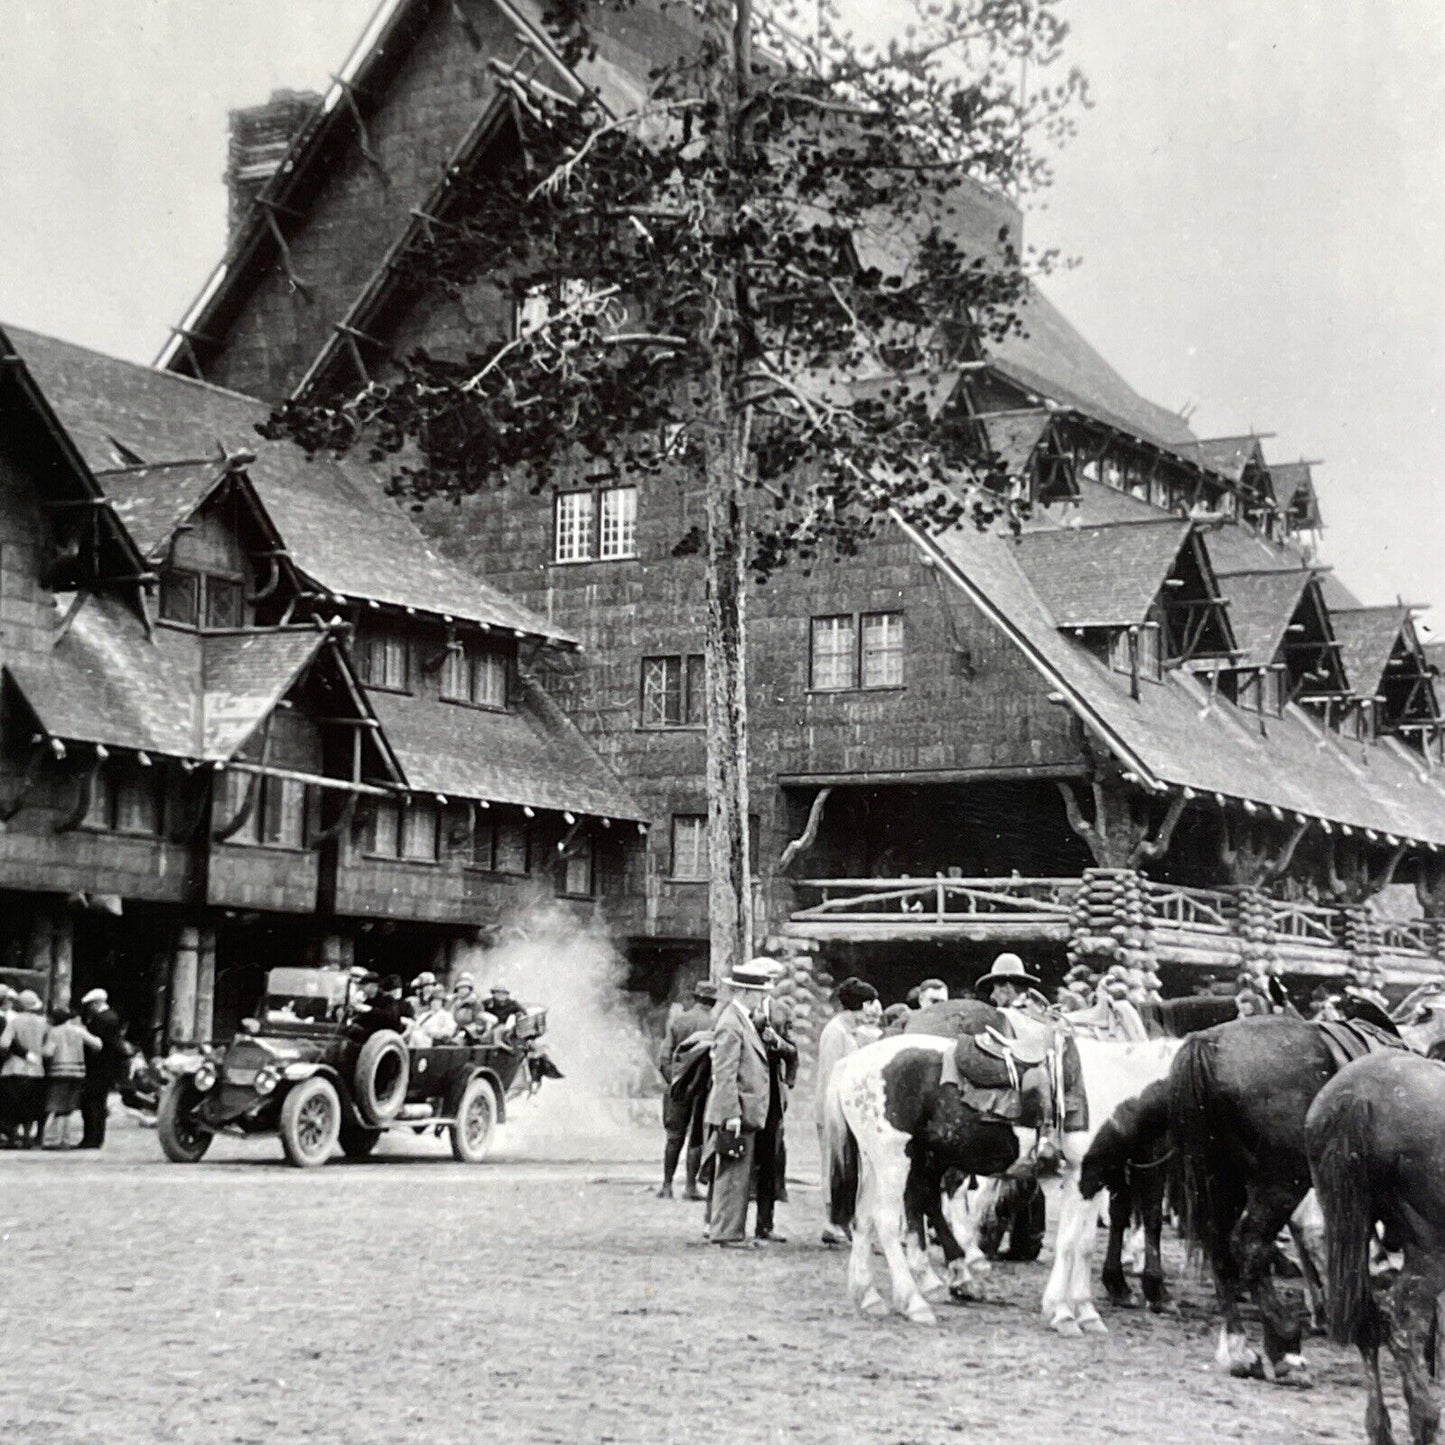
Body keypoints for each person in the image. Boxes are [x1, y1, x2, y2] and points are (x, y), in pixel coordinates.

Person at [704, 961, 773, 1248]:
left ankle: (731, 1231)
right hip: (738, 1111)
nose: (762, 998)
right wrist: (731, 1113)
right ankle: (727, 1233)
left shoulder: (741, 1020)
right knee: (733, 1174)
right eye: (758, 993)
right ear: (744, 991)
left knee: (738, 1174)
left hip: (744, 1110)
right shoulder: (732, 1024)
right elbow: (725, 1074)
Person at [814, 977, 879, 1245]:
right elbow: (831, 1076)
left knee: (849, 1167)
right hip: (833, 1110)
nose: (873, 1010)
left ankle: (844, 1219)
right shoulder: (835, 1032)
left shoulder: (851, 1031)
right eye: (870, 1004)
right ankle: (831, 1222)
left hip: (847, 1111)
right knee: (833, 1165)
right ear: (860, 1005)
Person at [656, 978, 717, 1199]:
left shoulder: (678, 1022)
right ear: (713, 1002)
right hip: (704, 1089)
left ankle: (666, 1185)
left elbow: (664, 1058)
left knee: (674, 1137)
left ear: (696, 998)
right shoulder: (715, 1024)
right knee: (697, 1137)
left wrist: (676, 1082)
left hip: (677, 1087)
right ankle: (691, 1187)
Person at [750, 963, 798, 1243]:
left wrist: (787, 1084)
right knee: (735, 1158)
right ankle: (724, 1222)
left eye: (766, 983)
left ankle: (765, 1224)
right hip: (744, 1094)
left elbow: (793, 1052)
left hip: (771, 1097)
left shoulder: (781, 1012)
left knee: (770, 1161)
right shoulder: (733, 1012)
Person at [42, 1007, 98, 1148]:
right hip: (78, 1071)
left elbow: (48, 1052)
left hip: (58, 1071)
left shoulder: (54, 1032)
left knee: (58, 1106)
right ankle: (66, 1139)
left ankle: (55, 1139)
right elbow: (97, 1044)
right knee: (69, 1107)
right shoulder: (78, 1030)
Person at [78, 987, 126, 1149]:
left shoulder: (102, 1019)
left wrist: (83, 1033)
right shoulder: (111, 1017)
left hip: (98, 1066)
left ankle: (91, 1138)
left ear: (97, 1003)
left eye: (91, 1004)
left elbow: (98, 1043)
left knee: (92, 1103)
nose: (89, 1008)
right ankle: (96, 1138)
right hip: (105, 1067)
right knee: (98, 1103)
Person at [2, 991, 47, 1148]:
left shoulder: (14, 1022)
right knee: (31, 1106)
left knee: (13, 1106)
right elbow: (47, 1048)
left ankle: (13, 1137)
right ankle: (28, 1136)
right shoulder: (44, 1022)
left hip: (14, 1068)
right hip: (36, 1070)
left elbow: (4, 1044)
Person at [975, 952, 1040, 1010]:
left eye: (994, 989)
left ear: (1007, 987)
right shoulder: (1036, 1014)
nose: (992, 996)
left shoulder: (1003, 1019)